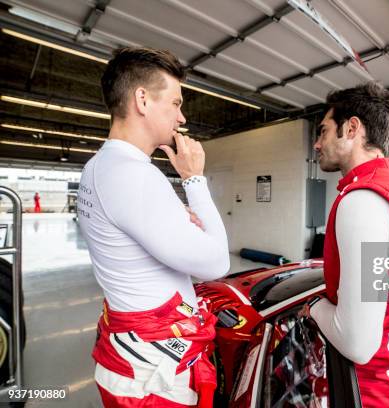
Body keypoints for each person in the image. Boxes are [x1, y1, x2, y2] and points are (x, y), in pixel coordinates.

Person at [77, 47, 229, 408]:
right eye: (175, 103)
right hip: (154, 376)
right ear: (142, 100)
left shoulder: (100, 166)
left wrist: (179, 220)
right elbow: (218, 262)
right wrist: (194, 180)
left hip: (136, 359)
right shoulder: (134, 175)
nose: (181, 116)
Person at [301, 82, 389, 407]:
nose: (317, 144)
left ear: (351, 128)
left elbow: (357, 343)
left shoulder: (363, 201)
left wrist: (315, 307)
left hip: (375, 391)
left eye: (323, 132)